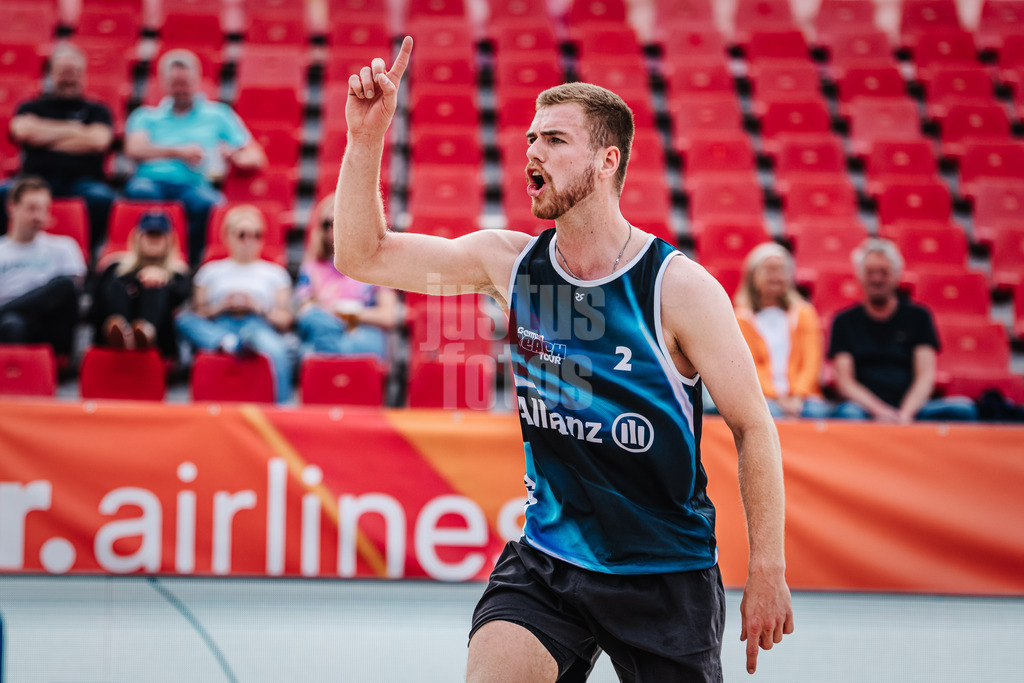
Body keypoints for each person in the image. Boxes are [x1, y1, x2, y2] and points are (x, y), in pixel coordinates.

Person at [336, 38, 793, 681]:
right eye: (529, 139)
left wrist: (768, 567)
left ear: (607, 161)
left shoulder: (678, 289)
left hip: (663, 571)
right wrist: (365, 138)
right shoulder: (510, 263)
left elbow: (753, 427)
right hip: (549, 561)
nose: (531, 152)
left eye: (553, 140)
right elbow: (363, 257)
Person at [123, 49, 266, 266]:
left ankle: (192, 264)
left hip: (195, 184)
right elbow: (134, 148)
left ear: (197, 81)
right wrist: (179, 152)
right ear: (164, 83)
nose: (181, 89)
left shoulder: (218, 115)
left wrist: (236, 157)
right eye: (175, 84)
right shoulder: (146, 116)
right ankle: (148, 260)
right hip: (151, 182)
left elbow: (256, 156)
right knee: (141, 193)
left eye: (185, 83)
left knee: (210, 204)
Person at [828, 238, 978, 422]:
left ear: (897, 275)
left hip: (913, 409)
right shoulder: (843, 321)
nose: (877, 278)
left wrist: (906, 414)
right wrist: (881, 411)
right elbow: (845, 382)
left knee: (963, 410)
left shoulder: (919, 316)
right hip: (865, 410)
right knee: (847, 414)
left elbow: (926, 376)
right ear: (859, 275)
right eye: (870, 272)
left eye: (884, 272)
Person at [2, 43, 117, 253]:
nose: (69, 78)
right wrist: (77, 131)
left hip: (84, 182)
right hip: (34, 179)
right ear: (50, 74)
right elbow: (23, 131)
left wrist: (44, 133)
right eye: (63, 72)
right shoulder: (30, 106)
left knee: (102, 199)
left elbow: (99, 141)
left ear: (83, 76)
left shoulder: (98, 110)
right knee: (4, 192)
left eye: (74, 73)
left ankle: (87, 255)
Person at [174, 204, 294, 403]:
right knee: (182, 319)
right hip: (220, 325)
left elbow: (285, 320)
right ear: (227, 236)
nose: (250, 241)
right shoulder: (209, 271)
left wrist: (258, 306)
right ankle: (229, 344)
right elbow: (198, 313)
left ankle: (282, 408)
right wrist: (220, 306)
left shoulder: (276, 273)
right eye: (242, 234)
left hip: (256, 326)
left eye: (257, 235)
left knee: (277, 349)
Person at [733, 243, 831, 419]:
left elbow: (811, 362)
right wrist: (777, 398)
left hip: (804, 397)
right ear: (753, 276)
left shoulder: (804, 313)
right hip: (763, 397)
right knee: (768, 413)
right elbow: (749, 367)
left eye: (781, 270)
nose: (775, 276)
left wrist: (797, 397)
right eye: (769, 270)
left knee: (815, 412)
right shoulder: (741, 319)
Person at [295, 195, 398, 359]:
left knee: (320, 351)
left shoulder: (375, 267)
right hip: (323, 327)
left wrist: (346, 314)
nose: (333, 230)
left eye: (339, 222)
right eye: (327, 224)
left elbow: (388, 316)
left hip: (363, 329)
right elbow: (304, 313)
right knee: (315, 324)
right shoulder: (311, 269)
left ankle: (328, 360)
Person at [0, 176, 86, 359]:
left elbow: (71, 292)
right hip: (9, 324)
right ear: (11, 207)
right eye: (31, 208)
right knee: (12, 323)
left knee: (64, 284)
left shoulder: (64, 246)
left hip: (50, 322)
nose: (39, 216)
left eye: (43, 209)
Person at [91, 210, 190, 358]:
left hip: (160, 338)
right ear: (138, 238)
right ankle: (121, 330)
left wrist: (161, 280)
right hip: (113, 327)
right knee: (116, 283)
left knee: (155, 285)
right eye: (149, 234)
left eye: (159, 235)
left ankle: (145, 331)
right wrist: (135, 281)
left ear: (169, 240)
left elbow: (182, 300)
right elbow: (96, 300)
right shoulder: (115, 266)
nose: (153, 240)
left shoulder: (178, 273)